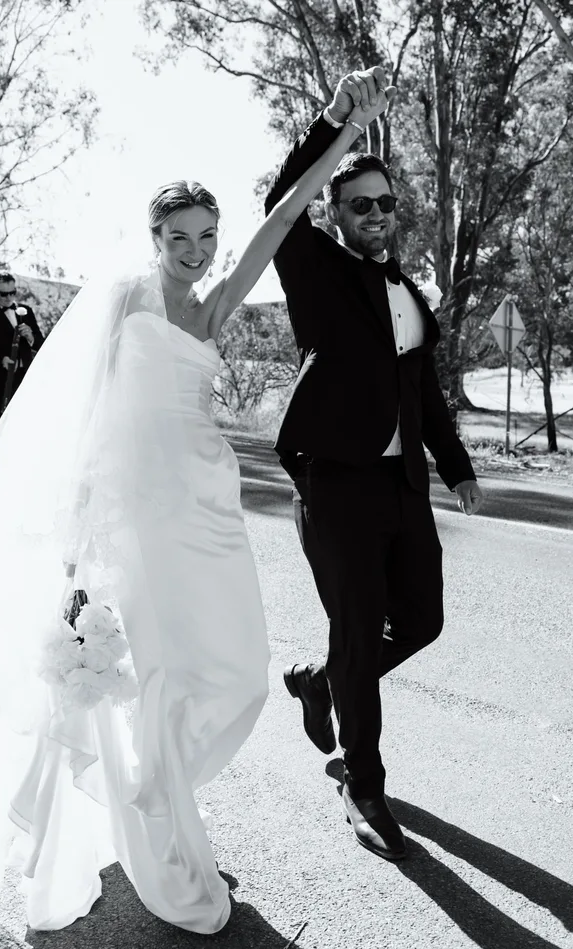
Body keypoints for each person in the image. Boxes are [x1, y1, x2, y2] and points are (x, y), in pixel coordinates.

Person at [0, 76, 389, 949]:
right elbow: (80, 419)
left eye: (205, 237)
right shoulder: (122, 299)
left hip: (210, 504)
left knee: (233, 670)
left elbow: (281, 216)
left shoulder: (216, 300)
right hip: (141, 513)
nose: (195, 253)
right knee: (160, 670)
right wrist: (76, 530)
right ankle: (166, 838)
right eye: (179, 238)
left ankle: (152, 792)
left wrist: (343, 129)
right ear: (153, 239)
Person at [265, 67, 484, 862]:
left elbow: (419, 388)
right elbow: (280, 206)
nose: (377, 215)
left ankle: (324, 681)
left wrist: (454, 466)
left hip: (401, 487)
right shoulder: (318, 271)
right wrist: (333, 125)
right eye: (360, 204)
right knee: (359, 632)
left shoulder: (409, 292)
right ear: (335, 212)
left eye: (387, 202)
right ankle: (363, 784)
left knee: (419, 621)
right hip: (335, 483)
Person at [0, 272, 44, 431]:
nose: (8, 297)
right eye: (3, 294)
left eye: (12, 293)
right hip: (0, 379)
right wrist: (1, 359)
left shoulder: (26, 311)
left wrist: (31, 336)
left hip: (25, 377)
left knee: (25, 425)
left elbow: (40, 342)